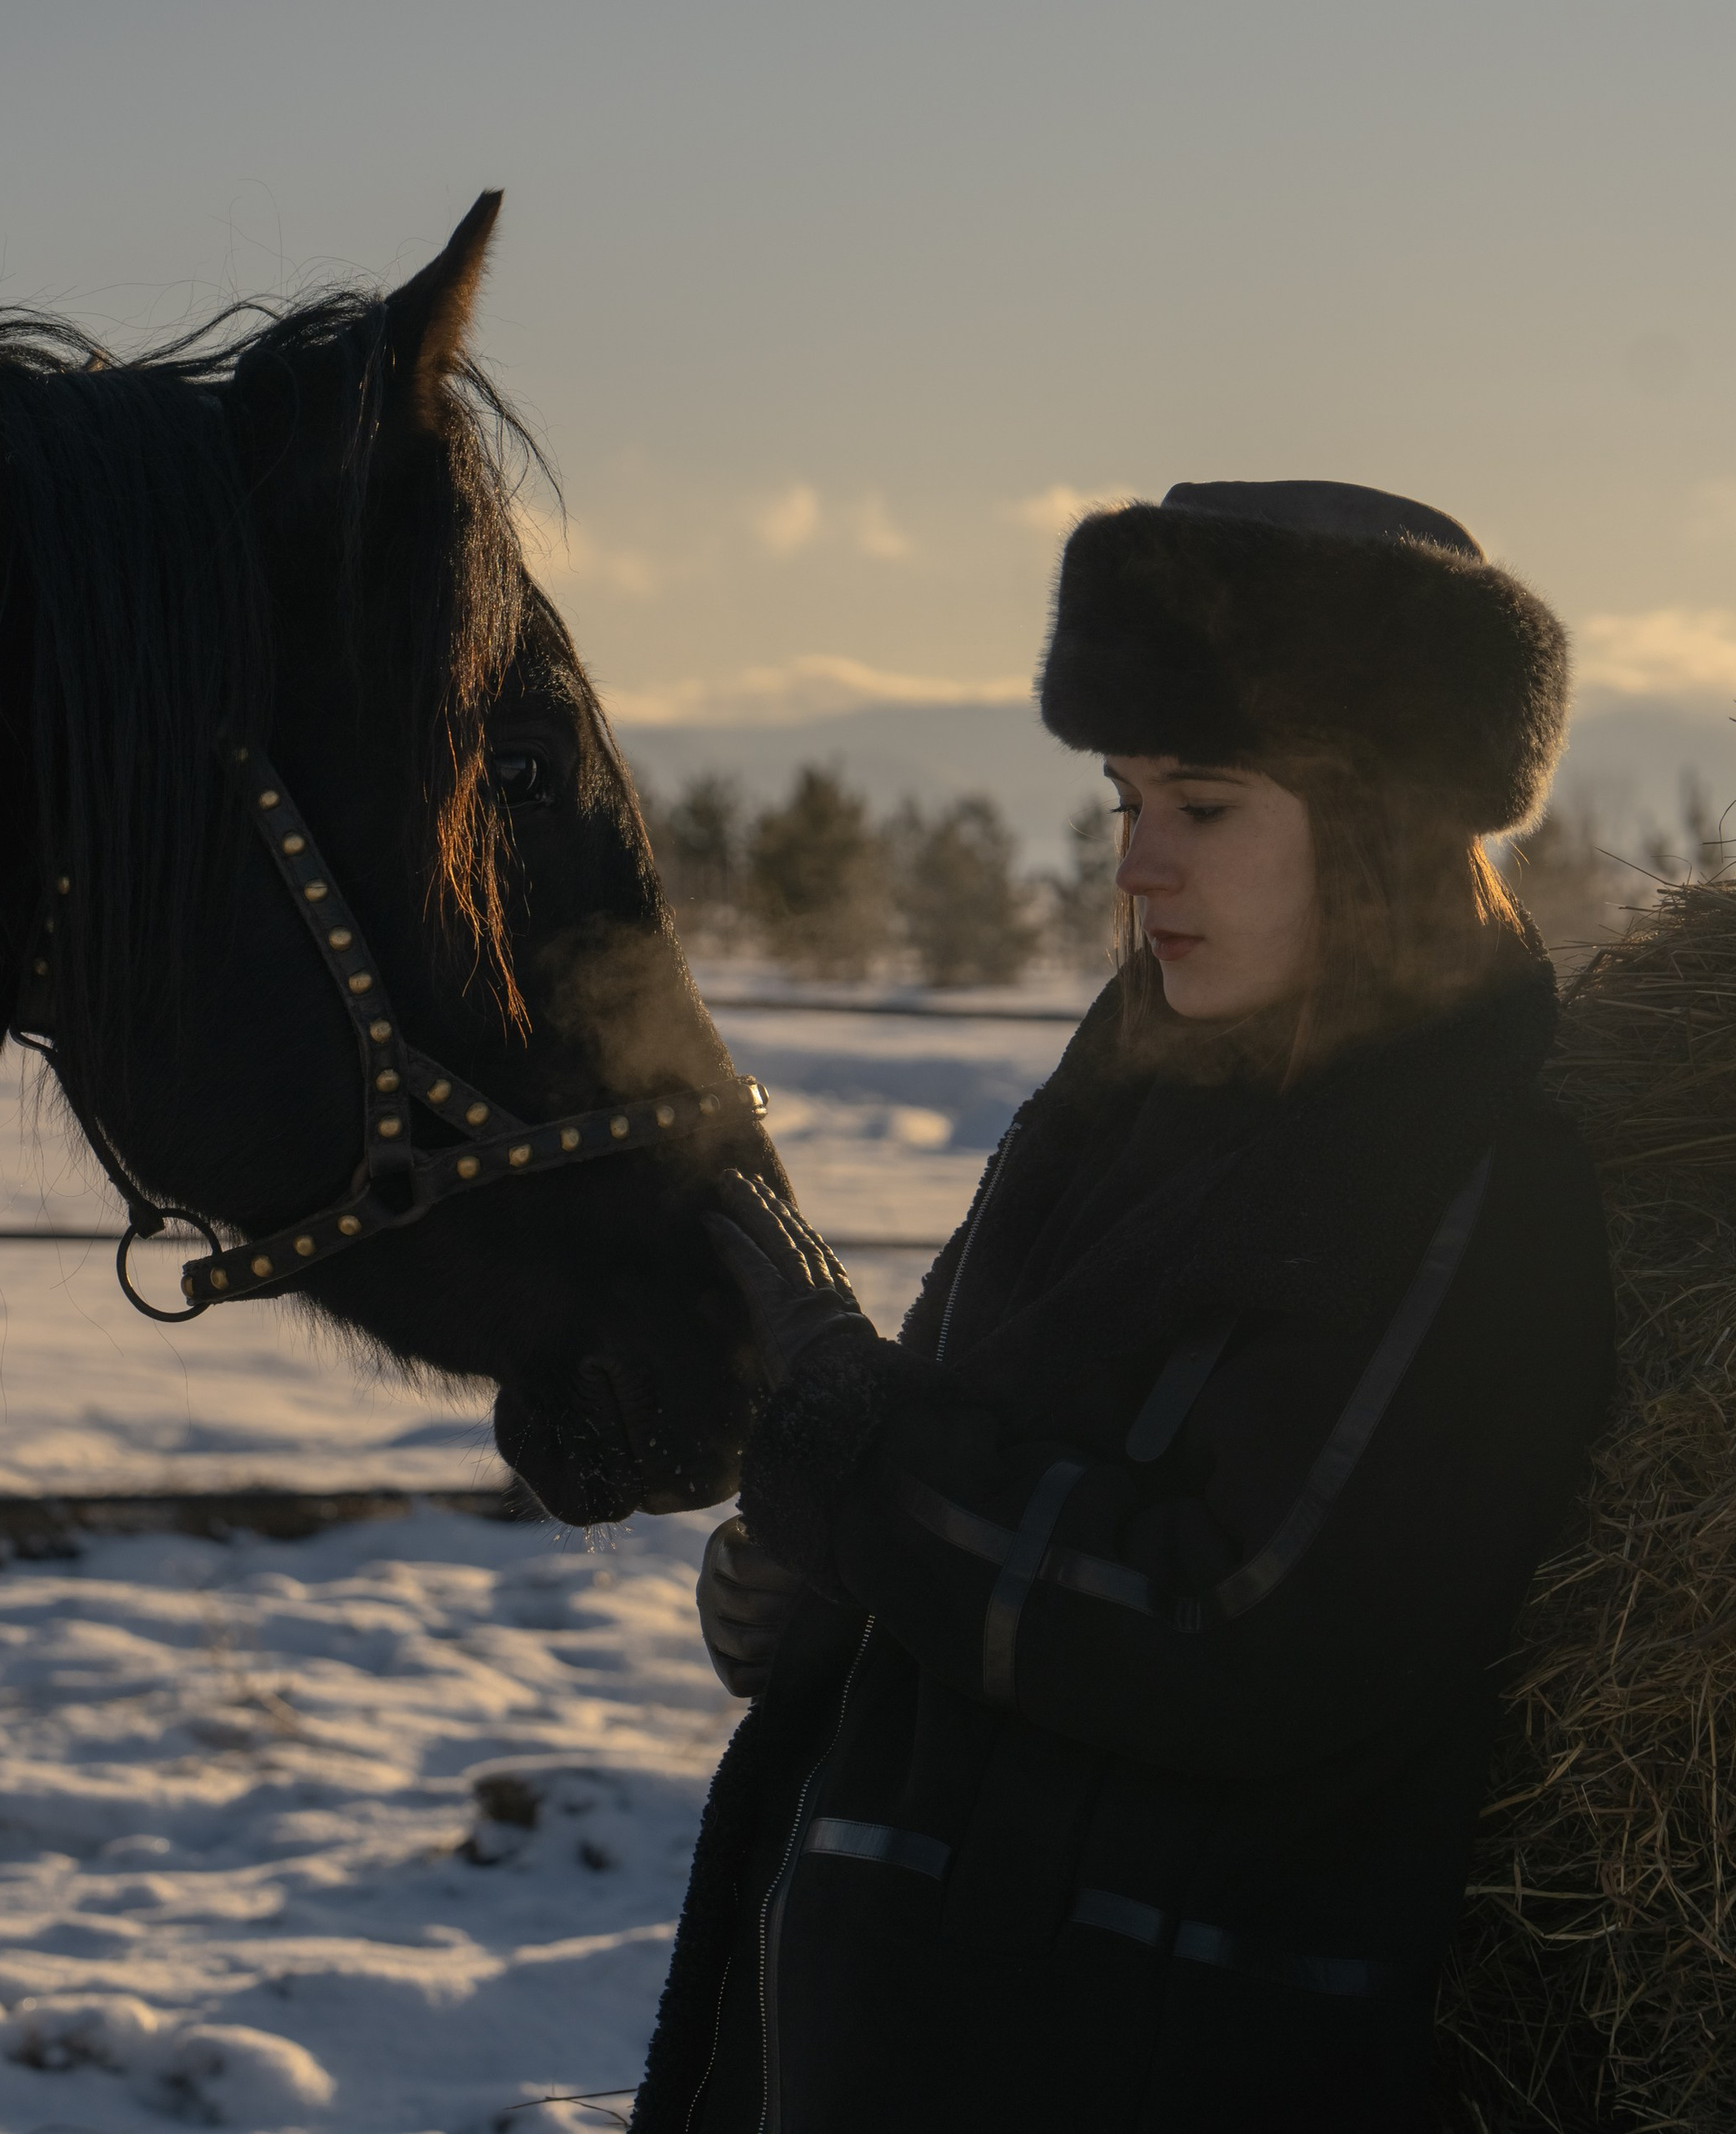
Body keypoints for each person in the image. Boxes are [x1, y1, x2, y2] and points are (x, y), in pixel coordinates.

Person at [633, 482, 1614, 2134]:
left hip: (1144, 2058)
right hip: (865, 2037)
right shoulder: (1115, 1108)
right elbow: (931, 1486)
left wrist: (847, 1450)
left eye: (1206, 802)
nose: (1135, 857)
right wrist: (800, 1566)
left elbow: (1233, 1620)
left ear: (1376, 814)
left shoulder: (1466, 1181)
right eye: (1122, 797)